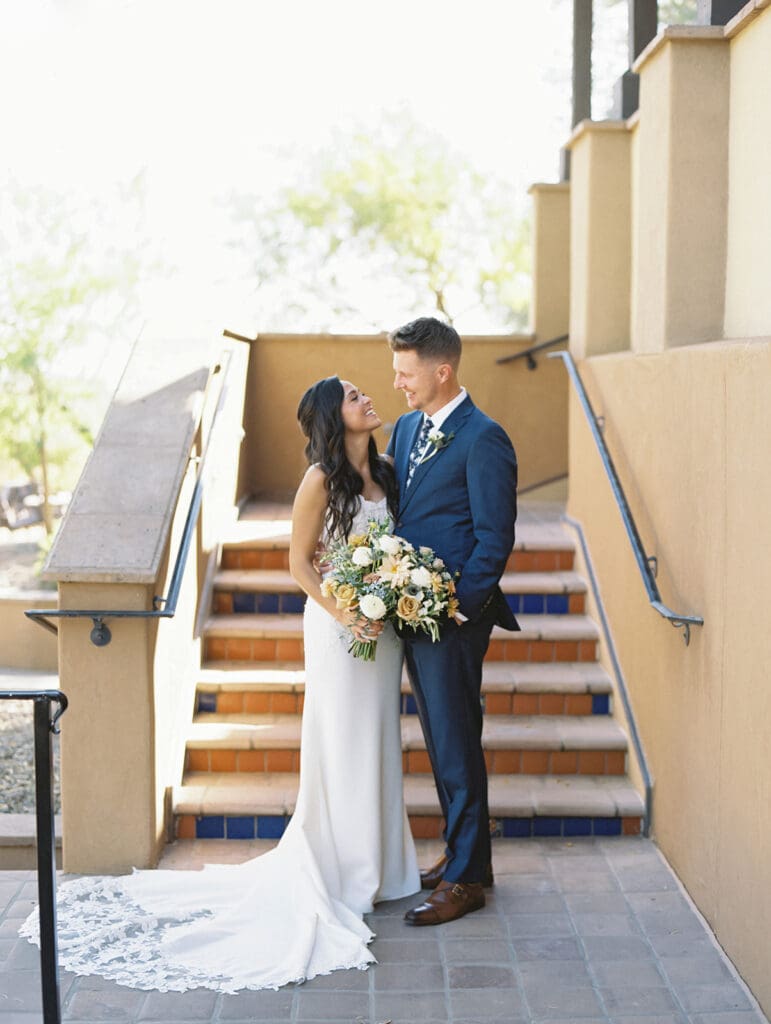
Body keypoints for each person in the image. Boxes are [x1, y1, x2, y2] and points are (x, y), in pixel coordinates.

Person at [20, 376, 419, 993]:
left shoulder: (389, 473)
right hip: (340, 627)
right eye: (353, 396)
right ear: (332, 418)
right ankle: (345, 869)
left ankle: (385, 867)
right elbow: (298, 564)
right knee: (341, 742)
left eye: (364, 392)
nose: (367, 397)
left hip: (383, 628)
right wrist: (347, 610)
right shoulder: (320, 480)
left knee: (377, 740)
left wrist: (391, 594)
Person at [386, 316, 518, 926]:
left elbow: (494, 537)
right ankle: (467, 857)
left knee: (457, 740)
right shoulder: (408, 427)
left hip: (454, 617)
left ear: (443, 371)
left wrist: (459, 605)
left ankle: (466, 881)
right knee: (441, 737)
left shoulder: (484, 437)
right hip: (412, 609)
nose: (397, 385)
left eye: (407, 373)